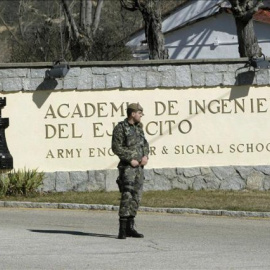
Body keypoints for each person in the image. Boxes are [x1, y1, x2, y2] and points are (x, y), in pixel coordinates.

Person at [112, 103, 149, 239]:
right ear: (133, 114)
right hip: (128, 168)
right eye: (139, 113)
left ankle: (130, 227)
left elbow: (144, 144)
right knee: (126, 195)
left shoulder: (139, 128)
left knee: (136, 196)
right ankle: (122, 229)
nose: (141, 116)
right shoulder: (121, 128)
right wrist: (129, 159)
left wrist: (145, 156)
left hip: (139, 167)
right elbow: (116, 147)